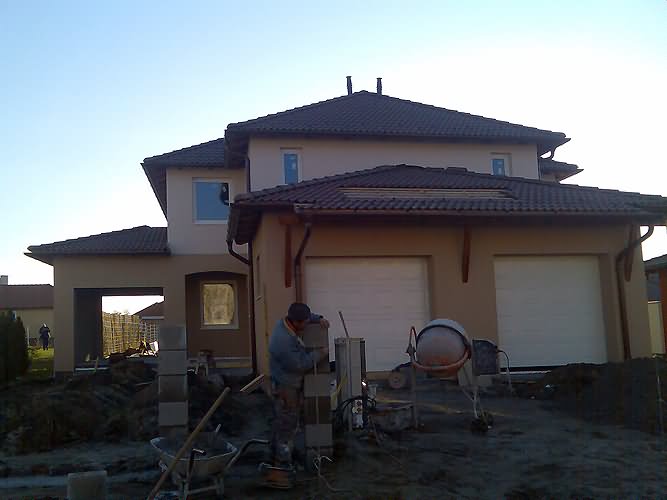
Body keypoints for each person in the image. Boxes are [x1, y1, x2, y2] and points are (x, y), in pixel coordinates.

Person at [266, 302, 329, 487]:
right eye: (306, 322)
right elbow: (300, 365)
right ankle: (281, 467)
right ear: (296, 322)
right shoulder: (283, 341)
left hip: (288, 382)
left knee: (285, 421)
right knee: (287, 423)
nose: (308, 323)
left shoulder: (287, 323)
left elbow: (306, 317)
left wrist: (319, 318)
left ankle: (278, 456)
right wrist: (320, 354)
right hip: (285, 386)